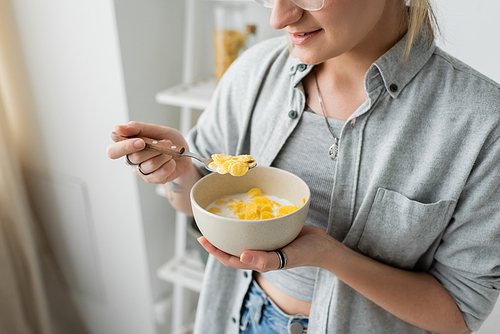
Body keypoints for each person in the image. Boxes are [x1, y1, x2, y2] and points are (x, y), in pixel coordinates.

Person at [107, 0, 500, 333]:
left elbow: (458, 315)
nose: (278, 18)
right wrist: (179, 174)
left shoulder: (482, 122)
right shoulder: (254, 71)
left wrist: (328, 254)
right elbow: (194, 202)